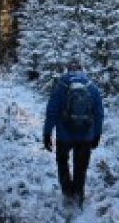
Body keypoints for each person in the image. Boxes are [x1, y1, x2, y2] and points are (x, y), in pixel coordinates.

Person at [43, 59, 104, 208]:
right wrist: (97, 134)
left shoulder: (60, 87)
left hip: (64, 135)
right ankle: (78, 195)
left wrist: (47, 133)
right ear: (82, 71)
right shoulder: (92, 88)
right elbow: (99, 113)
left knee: (62, 162)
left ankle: (67, 193)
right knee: (80, 166)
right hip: (86, 136)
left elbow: (51, 111)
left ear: (67, 70)